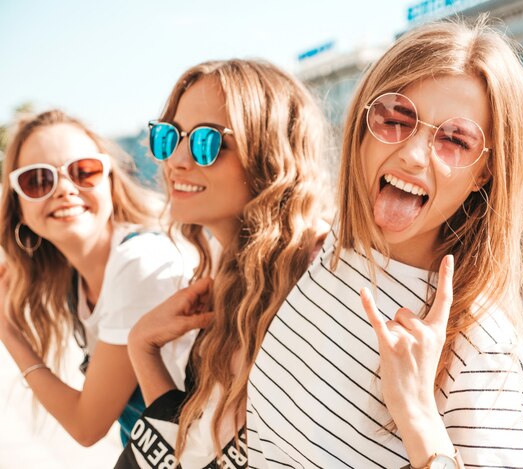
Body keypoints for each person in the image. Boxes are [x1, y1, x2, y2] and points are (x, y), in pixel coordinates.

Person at [246, 17, 523, 469]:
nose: (413, 154)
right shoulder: (338, 248)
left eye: (455, 139)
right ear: (361, 126)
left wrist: (417, 414)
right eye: (396, 118)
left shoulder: (480, 344)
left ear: (485, 174)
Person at [113, 59, 331, 468]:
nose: (176, 160)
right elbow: (193, 448)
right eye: (168, 137)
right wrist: (143, 347)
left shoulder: (319, 276)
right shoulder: (232, 271)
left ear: (269, 154)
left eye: (205, 141)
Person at [0, 110, 196, 446]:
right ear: (19, 205)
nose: (64, 189)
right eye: (37, 180)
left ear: (111, 182)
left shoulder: (140, 262)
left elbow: (87, 425)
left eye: (83, 172)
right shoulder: (76, 282)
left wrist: (6, 330)